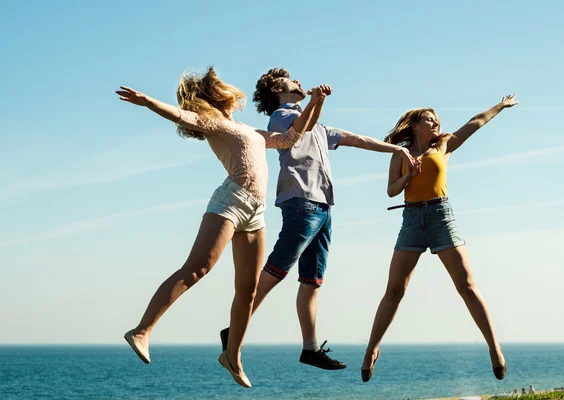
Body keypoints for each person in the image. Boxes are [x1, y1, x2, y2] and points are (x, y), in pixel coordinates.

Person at [115, 66, 324, 388]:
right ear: (216, 96)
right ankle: (142, 330)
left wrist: (315, 102)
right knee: (199, 267)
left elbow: (290, 138)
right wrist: (148, 102)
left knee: (249, 289)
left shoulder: (248, 129)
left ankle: (232, 356)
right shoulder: (213, 123)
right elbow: (182, 117)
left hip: (255, 212)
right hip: (231, 200)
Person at [219, 68, 416, 370]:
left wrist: (397, 150)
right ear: (276, 91)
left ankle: (310, 349)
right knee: (275, 272)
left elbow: (358, 139)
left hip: (323, 209)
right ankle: (234, 332)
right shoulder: (281, 117)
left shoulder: (320, 125)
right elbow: (300, 128)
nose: (297, 81)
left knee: (312, 281)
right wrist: (316, 100)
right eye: (289, 80)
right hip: (300, 205)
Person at [361, 95, 518, 382]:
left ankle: (494, 348)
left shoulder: (443, 145)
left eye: (437, 120)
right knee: (394, 291)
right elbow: (391, 190)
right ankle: (372, 350)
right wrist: (409, 176)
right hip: (411, 221)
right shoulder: (401, 153)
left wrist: (500, 106)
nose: (436, 123)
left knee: (467, 286)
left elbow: (475, 123)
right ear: (416, 125)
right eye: (430, 119)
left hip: (441, 217)